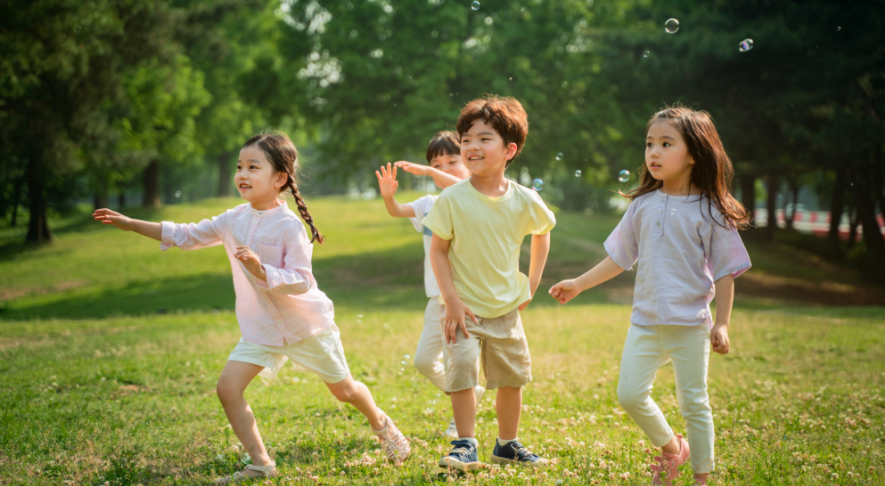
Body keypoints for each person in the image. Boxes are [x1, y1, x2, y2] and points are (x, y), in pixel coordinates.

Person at [93, 132, 410, 484]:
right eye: (240, 166)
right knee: (228, 388)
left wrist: (262, 270)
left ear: (279, 179)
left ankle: (382, 425)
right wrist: (129, 223)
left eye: (253, 167)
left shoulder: (289, 225)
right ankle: (261, 463)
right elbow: (185, 234)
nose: (242, 173)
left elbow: (302, 280)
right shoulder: (233, 219)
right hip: (261, 330)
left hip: (305, 326)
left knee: (345, 391)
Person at [549, 106, 752, 486]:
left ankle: (701, 478)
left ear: (693, 153)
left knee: (694, 403)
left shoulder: (710, 211)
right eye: (649, 144)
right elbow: (619, 258)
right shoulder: (641, 206)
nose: (653, 153)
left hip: (690, 325)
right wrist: (579, 282)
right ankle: (673, 449)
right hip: (644, 322)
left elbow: (727, 270)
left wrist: (722, 322)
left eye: (665, 144)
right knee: (629, 394)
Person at [422, 96, 555, 471]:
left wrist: (530, 284)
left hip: (506, 308)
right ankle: (464, 443)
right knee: (462, 371)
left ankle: (507, 444)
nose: (471, 147)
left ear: (509, 149)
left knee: (512, 377)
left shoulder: (525, 199)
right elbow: (438, 252)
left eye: (483, 138)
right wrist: (451, 301)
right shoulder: (451, 198)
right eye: (465, 139)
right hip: (464, 307)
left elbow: (543, 233)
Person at [375, 131, 485, 438]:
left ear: (469, 159)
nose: (445, 168)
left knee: (456, 361)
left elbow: (462, 185)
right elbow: (397, 210)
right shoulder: (428, 203)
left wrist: (427, 171)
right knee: (424, 360)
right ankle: (471, 392)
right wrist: (388, 196)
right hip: (435, 297)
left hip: (463, 297)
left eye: (452, 161)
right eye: (437, 163)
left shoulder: (472, 197)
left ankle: (460, 422)